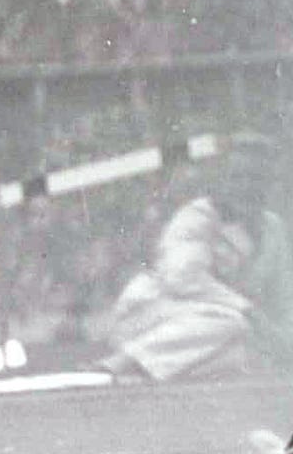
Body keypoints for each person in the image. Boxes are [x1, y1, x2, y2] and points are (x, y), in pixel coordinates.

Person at [98, 135, 290, 383]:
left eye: (256, 179)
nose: (246, 187)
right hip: (153, 316)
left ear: (270, 183)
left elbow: (284, 296)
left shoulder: (274, 227)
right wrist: (247, 309)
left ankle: (145, 373)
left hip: (208, 331)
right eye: (238, 177)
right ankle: (124, 361)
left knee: (245, 353)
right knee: (234, 322)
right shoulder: (198, 216)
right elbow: (182, 280)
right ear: (223, 180)